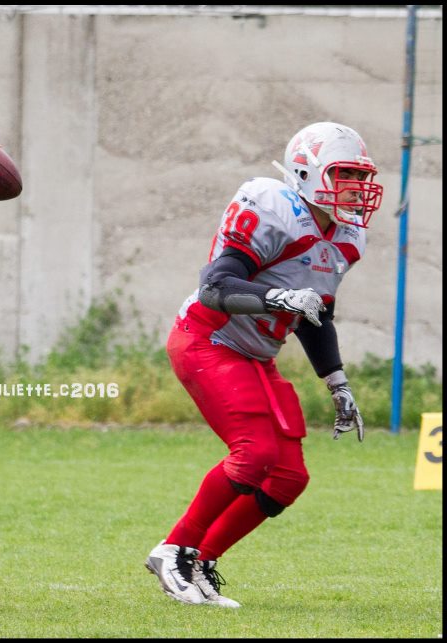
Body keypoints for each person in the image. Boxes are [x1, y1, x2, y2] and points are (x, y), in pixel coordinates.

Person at [145, 122, 383, 608]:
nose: (354, 189)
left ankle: (201, 561)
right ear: (304, 172)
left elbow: (317, 315)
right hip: (208, 337)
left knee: (288, 476)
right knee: (253, 453)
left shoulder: (347, 236)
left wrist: (338, 384)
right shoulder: (273, 207)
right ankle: (174, 550)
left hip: (255, 354)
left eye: (359, 177)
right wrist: (279, 296)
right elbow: (217, 285)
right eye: (342, 174)